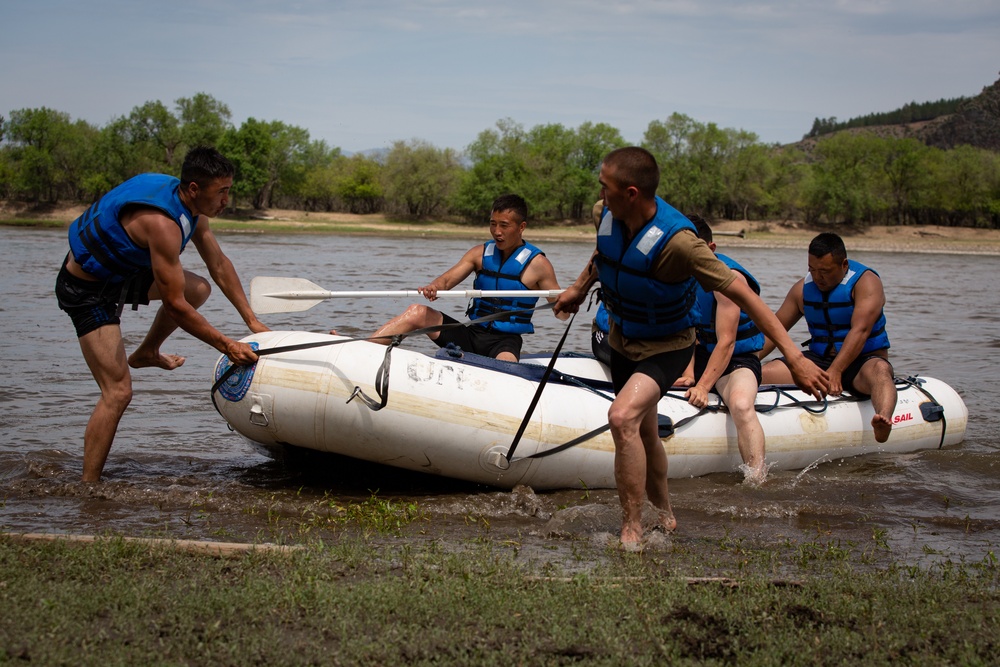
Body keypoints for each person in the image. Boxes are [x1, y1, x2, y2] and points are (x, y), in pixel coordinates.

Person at [553, 147, 828, 548]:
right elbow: (604, 254)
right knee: (645, 432)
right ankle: (665, 515)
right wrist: (580, 287)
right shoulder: (605, 214)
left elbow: (748, 297)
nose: (599, 194)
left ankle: (631, 529)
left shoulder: (682, 244)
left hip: (668, 347)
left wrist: (796, 358)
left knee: (622, 417)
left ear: (631, 192)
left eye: (605, 186)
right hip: (623, 341)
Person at [55, 146, 268, 482]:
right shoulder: (162, 224)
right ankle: (87, 488)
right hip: (87, 291)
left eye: (229, 190)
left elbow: (219, 265)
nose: (227, 200)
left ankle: (147, 351)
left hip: (121, 277)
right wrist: (227, 345)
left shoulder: (192, 208)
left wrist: (252, 321)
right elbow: (175, 307)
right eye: (222, 192)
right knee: (118, 392)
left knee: (198, 288)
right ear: (195, 189)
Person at [370, 194, 568, 361]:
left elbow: (562, 314)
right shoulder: (479, 254)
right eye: (493, 224)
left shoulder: (538, 265)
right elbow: (446, 281)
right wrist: (434, 286)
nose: (497, 232)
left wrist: (568, 302)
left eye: (504, 225)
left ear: (521, 226)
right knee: (417, 312)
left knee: (506, 367)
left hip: (504, 343)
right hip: (471, 333)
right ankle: (361, 349)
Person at [759, 232, 895, 442]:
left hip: (862, 362)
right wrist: (746, 362)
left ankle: (883, 420)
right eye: (812, 269)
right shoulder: (802, 290)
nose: (817, 277)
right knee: (763, 373)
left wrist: (836, 371)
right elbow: (774, 330)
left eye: (824, 271)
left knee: (881, 371)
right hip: (819, 361)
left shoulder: (867, 283)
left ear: (844, 265)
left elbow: (860, 331)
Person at [680, 215, 768, 485]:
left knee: (741, 405)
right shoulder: (676, 274)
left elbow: (727, 341)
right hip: (696, 351)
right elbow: (687, 331)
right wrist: (688, 373)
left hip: (736, 359)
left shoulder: (728, 280)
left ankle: (756, 478)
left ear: (712, 249)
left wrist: (703, 387)